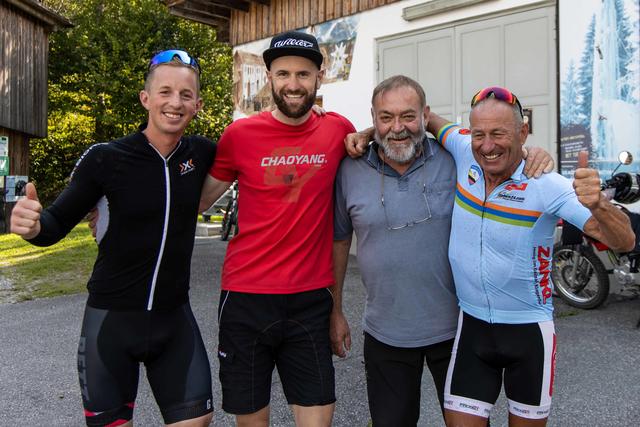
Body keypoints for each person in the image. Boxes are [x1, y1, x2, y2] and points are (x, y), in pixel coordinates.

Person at [10, 50, 215, 427]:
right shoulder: (107, 158)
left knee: (197, 421)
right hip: (111, 323)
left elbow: (259, 146)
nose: (175, 102)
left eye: (186, 95)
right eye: (165, 91)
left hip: (175, 321)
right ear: (145, 98)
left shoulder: (203, 153)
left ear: (198, 105)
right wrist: (33, 226)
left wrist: (315, 119)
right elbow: (54, 224)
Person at [334, 76, 553, 426]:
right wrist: (336, 311)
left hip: (457, 331)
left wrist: (532, 153)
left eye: (408, 116)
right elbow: (339, 242)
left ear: (426, 115)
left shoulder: (457, 159)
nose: (397, 127)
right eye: (385, 117)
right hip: (385, 333)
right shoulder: (349, 169)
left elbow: (498, 149)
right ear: (373, 119)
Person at [428, 86, 635, 427]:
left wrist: (597, 203)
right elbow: (425, 116)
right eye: (479, 134)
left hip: (529, 336)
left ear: (523, 132)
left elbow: (624, 240)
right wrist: (365, 132)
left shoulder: (547, 184)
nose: (487, 145)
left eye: (499, 133)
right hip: (472, 329)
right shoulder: (465, 148)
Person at [197, 31, 356, 427]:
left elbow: (383, 141)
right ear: (269, 76)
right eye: (283, 73)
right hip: (246, 296)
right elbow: (196, 201)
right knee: (251, 420)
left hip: (310, 298)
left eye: (303, 74)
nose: (293, 83)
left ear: (319, 78)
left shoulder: (338, 130)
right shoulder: (240, 135)